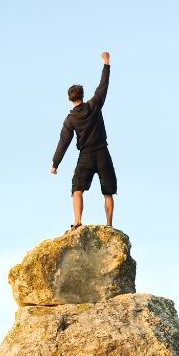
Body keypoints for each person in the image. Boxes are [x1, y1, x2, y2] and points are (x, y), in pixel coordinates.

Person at [51, 51, 117, 230]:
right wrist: (106, 63)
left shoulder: (70, 119)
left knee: (77, 189)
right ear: (82, 94)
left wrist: (55, 164)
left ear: (69, 98)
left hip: (86, 156)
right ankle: (109, 225)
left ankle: (78, 221)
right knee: (108, 192)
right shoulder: (94, 104)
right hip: (103, 152)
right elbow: (103, 85)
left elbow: (63, 141)